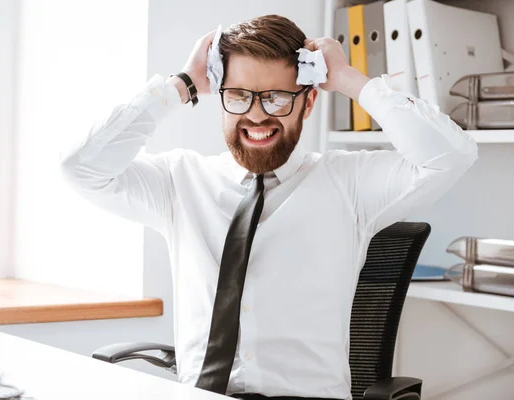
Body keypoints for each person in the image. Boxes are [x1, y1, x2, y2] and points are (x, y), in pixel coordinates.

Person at [61, 15, 477, 400]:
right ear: (220, 97)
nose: (256, 115)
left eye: (277, 97)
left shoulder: (350, 184)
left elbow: (451, 155)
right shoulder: (179, 182)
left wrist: (351, 79)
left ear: (308, 102)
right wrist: (182, 84)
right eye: (239, 96)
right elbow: (81, 167)